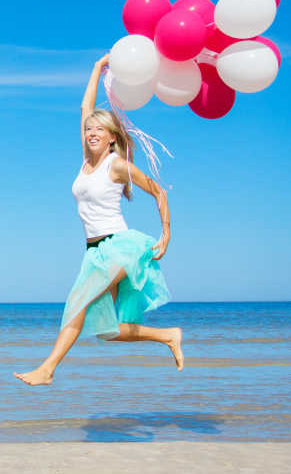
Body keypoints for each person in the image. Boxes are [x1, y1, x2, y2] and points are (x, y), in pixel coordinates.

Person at [13, 53, 184, 386]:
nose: (92, 132)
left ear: (112, 138)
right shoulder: (85, 162)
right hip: (94, 252)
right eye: (89, 128)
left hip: (120, 246)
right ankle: (168, 335)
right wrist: (96, 69)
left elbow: (160, 192)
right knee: (109, 331)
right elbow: (84, 108)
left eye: (99, 129)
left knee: (78, 302)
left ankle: (47, 369)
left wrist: (166, 235)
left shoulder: (116, 165)